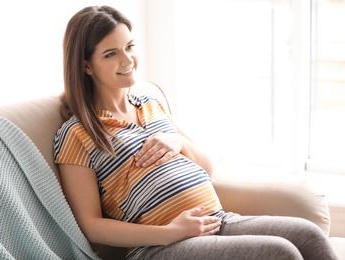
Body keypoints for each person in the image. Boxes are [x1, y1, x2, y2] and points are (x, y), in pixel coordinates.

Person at [54, 5, 338, 260]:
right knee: (280, 253)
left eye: (129, 46)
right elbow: (90, 226)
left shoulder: (151, 105)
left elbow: (208, 166)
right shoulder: (77, 133)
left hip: (218, 221)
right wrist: (169, 232)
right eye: (111, 53)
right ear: (85, 65)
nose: (127, 60)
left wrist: (178, 142)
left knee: (308, 234)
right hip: (160, 247)